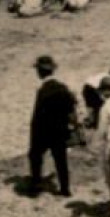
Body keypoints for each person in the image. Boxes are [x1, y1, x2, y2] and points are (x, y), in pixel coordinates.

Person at [28, 55, 77, 197]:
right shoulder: (63, 88)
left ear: (40, 72)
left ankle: (36, 185)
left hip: (43, 131)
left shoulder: (43, 90)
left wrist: (34, 135)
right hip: (60, 130)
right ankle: (65, 189)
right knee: (61, 160)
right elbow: (71, 107)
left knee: (35, 155)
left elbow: (37, 116)